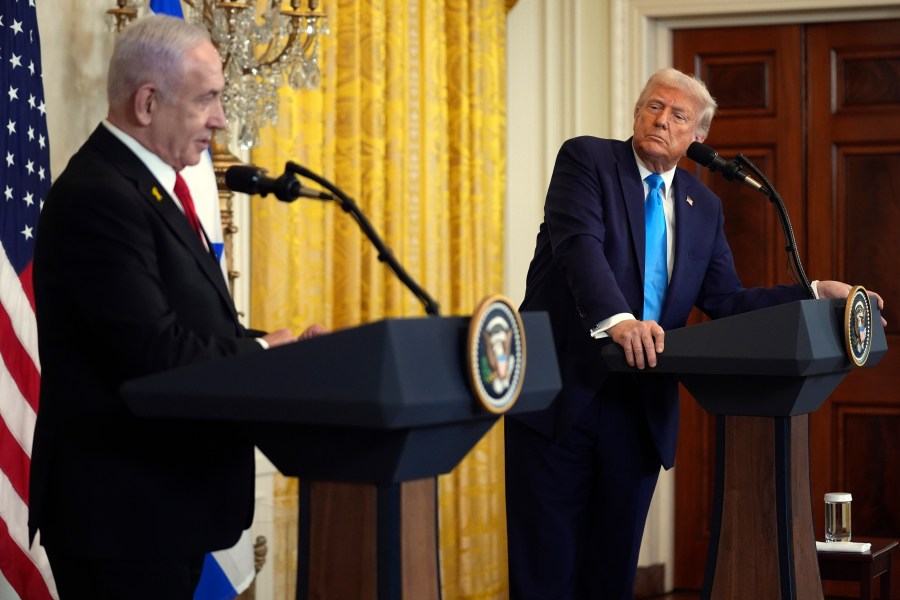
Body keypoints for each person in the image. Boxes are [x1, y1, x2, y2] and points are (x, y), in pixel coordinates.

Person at [504, 67, 885, 599]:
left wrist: (814, 291)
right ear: (637, 112)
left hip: (638, 409)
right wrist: (618, 321)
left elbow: (727, 301)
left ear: (698, 137)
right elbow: (579, 247)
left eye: (678, 115)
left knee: (610, 574)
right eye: (653, 106)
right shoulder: (587, 159)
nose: (661, 119)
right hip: (561, 395)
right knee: (545, 572)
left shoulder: (703, 206)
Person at [28, 15, 322, 599]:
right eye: (208, 99)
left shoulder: (150, 187)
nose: (219, 120)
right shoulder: (99, 197)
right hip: (122, 520)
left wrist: (281, 348)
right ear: (147, 102)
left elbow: (196, 326)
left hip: (162, 510)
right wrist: (266, 353)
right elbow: (154, 352)